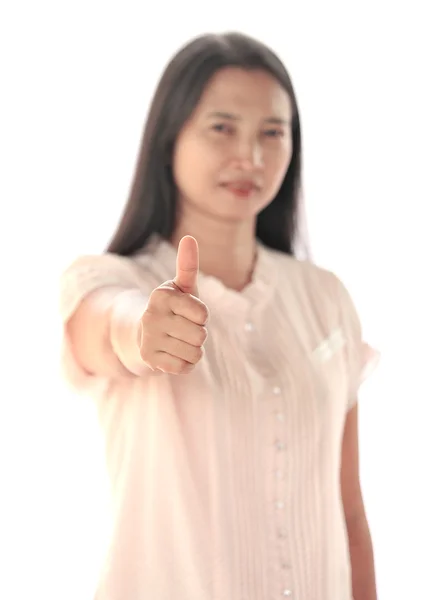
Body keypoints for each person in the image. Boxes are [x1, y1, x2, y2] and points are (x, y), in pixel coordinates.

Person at [59, 31, 379, 600]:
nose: (250, 157)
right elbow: (109, 325)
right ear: (168, 137)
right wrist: (144, 330)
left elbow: (349, 509)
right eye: (222, 127)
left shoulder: (325, 297)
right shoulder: (111, 280)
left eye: (272, 133)